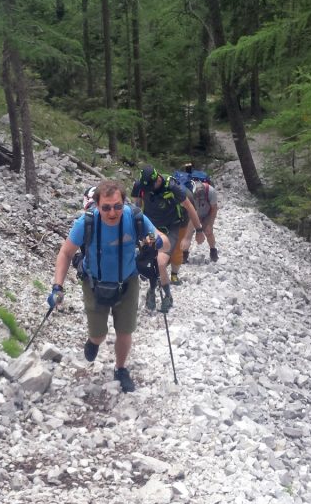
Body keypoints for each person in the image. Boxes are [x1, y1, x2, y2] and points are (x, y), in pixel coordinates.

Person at [48, 180, 166, 393]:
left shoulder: (135, 218)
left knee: (125, 330)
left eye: (117, 206)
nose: (113, 212)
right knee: (99, 334)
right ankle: (94, 341)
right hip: (94, 283)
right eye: (106, 207)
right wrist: (57, 286)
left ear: (124, 203)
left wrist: (154, 243)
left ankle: (120, 369)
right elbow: (65, 253)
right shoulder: (86, 223)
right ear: (97, 205)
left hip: (127, 282)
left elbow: (163, 239)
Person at [131, 165, 204, 310]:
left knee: (161, 262)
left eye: (152, 186)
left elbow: (190, 208)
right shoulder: (140, 186)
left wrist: (199, 230)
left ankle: (167, 296)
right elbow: (136, 207)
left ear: (158, 178)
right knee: (150, 260)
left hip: (171, 227)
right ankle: (151, 291)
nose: (150, 190)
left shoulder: (172, 187)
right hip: (151, 227)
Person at [180, 178, 219, 264]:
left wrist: (210, 224)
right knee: (188, 234)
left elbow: (214, 208)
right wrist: (197, 230)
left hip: (206, 214)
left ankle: (213, 251)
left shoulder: (211, 191)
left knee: (209, 232)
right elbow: (190, 210)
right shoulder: (188, 194)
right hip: (193, 214)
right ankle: (184, 254)